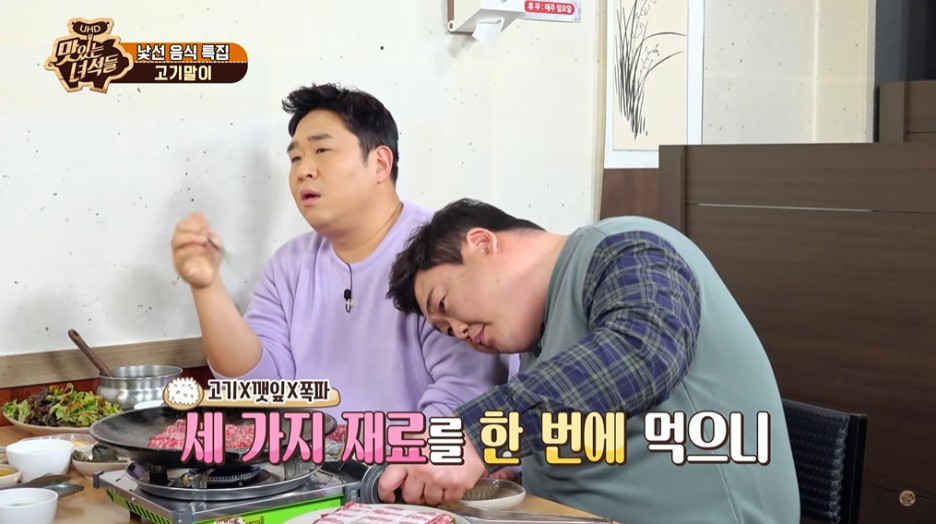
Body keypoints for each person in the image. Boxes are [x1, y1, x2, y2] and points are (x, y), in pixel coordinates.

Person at [379, 198, 800, 524]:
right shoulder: (538, 338)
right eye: (446, 331)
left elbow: (643, 353)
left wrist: (477, 436)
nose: (459, 332)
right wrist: (524, 472)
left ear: (482, 243)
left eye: (445, 305)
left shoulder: (628, 247)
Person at [169, 85, 512, 426]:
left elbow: (465, 402)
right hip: (308, 459)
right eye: (295, 158)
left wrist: (380, 457)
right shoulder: (289, 264)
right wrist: (206, 287)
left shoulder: (440, 253)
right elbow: (257, 387)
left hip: (413, 458)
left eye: (322, 150)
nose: (303, 170)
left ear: (380, 163)